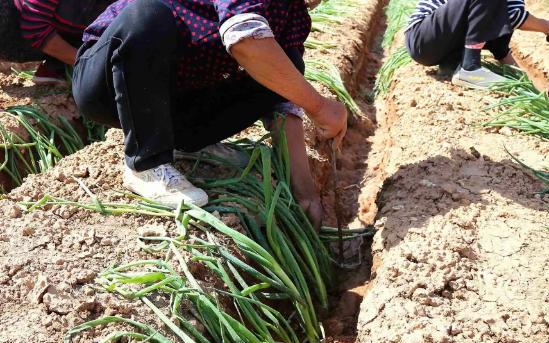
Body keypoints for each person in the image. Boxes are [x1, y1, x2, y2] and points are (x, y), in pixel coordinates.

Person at [72, 0, 348, 227]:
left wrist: (307, 194)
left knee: (285, 68)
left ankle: (183, 145)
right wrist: (321, 107)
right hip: (106, 79)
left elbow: (284, 98)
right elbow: (244, 39)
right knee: (146, 15)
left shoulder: (292, 15)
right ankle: (146, 164)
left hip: (173, 95)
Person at [404, 0, 549, 89]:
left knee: (497, 17)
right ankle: (470, 68)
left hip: (435, 44)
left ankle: (451, 66)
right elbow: (515, 16)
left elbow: (501, 38)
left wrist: (523, 82)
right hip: (422, 35)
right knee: (499, 11)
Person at [0, 0, 112, 84]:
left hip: (49, 30)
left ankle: (56, 67)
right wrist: (90, 65)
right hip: (15, 28)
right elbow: (35, 28)